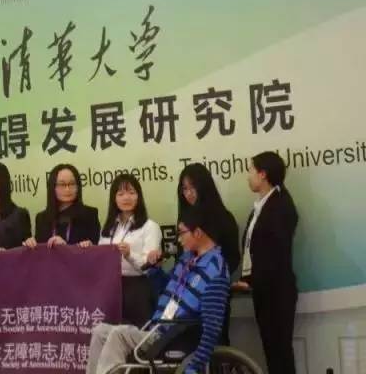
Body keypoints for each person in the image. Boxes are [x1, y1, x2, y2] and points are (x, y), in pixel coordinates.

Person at [87, 206, 230, 374]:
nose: (179, 240)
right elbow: (166, 288)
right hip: (155, 330)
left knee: (119, 334)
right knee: (100, 332)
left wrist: (194, 365)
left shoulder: (215, 270)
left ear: (197, 233)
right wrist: (155, 269)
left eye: (182, 233)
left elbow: (212, 329)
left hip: (175, 338)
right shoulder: (187, 260)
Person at [233, 151, 298, 374]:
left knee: (280, 353)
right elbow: (254, 250)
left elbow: (275, 255)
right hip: (264, 290)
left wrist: (253, 281)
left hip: (277, 291)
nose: (248, 176)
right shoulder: (261, 205)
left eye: (250, 170)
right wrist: (249, 280)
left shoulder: (281, 205)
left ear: (263, 174)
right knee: (272, 352)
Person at [167, 162, 240, 344]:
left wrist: (210, 278)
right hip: (185, 300)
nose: (189, 193)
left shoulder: (224, 218)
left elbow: (233, 257)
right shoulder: (184, 221)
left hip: (212, 296)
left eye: (193, 187)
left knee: (216, 346)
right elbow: (181, 261)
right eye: (184, 189)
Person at [99, 174, 162, 327]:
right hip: (112, 289)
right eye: (120, 194)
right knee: (108, 333)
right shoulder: (108, 227)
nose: (126, 198)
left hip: (138, 289)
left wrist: (129, 255)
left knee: (137, 336)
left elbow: (148, 267)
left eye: (131, 193)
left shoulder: (150, 227)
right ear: (114, 199)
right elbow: (99, 260)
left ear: (139, 196)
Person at [25, 164, 100, 248]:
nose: (67, 189)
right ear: (53, 187)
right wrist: (31, 244)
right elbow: (40, 251)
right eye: (62, 184)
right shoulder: (42, 218)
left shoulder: (90, 215)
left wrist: (65, 247)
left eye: (72, 184)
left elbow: (94, 251)